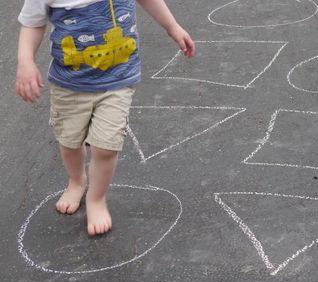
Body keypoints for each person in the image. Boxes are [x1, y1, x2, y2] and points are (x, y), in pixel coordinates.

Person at [16, 0, 195, 236]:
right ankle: (76, 181)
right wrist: (25, 61)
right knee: (70, 143)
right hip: (69, 84)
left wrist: (172, 26)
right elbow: (32, 23)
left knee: (106, 147)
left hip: (117, 81)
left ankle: (96, 198)